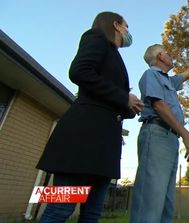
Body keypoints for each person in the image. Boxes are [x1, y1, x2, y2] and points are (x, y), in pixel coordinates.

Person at [36, 11, 144, 223]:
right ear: (116, 24)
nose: (128, 32)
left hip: (103, 149)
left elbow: (106, 96)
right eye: (126, 26)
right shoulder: (94, 37)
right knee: (60, 208)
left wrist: (129, 107)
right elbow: (79, 71)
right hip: (81, 143)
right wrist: (123, 97)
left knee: (92, 214)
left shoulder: (114, 54)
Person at [130, 44, 189, 223]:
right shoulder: (151, 75)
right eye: (168, 53)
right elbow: (159, 106)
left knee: (166, 203)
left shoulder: (169, 81)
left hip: (171, 138)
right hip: (156, 134)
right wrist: (187, 135)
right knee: (151, 200)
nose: (171, 56)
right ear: (161, 56)